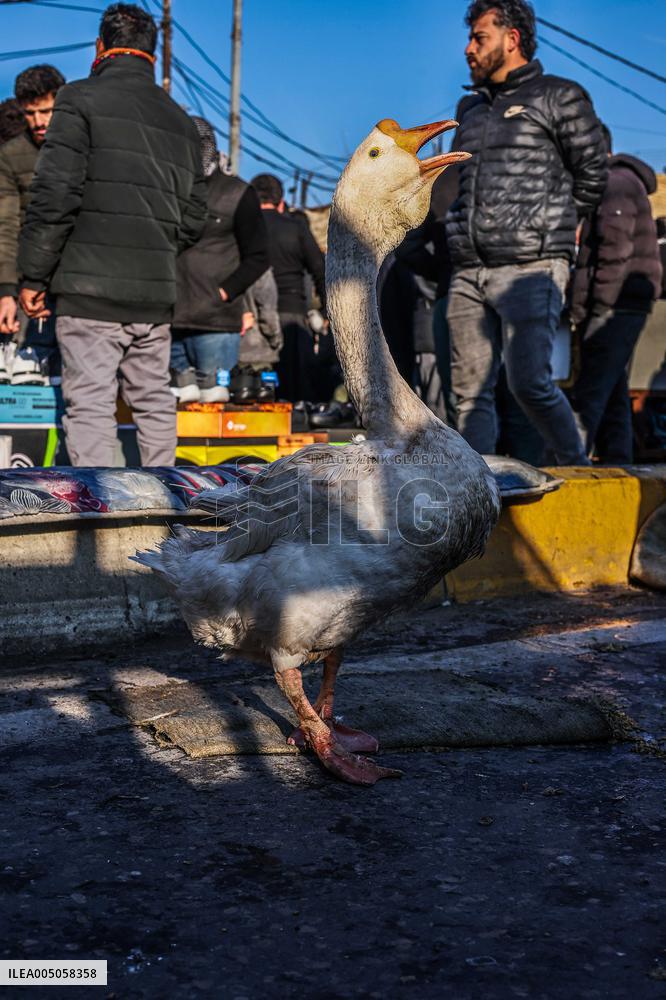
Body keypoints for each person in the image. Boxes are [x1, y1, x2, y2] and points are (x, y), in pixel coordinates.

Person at [17, 4, 207, 467]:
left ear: (100, 47)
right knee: (155, 401)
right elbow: (195, 215)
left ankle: (102, 522)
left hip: (87, 291)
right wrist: (158, 246)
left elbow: (54, 194)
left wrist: (34, 276)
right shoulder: (181, 122)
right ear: (152, 54)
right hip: (154, 296)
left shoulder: (79, 99)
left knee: (91, 407)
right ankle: (166, 503)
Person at [445, 0, 608, 464]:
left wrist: (548, 226)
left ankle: (577, 469)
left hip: (532, 266)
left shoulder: (561, 96)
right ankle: (475, 499)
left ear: (511, 39)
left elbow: (593, 175)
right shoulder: (469, 110)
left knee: (529, 384)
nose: (469, 49)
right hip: (468, 270)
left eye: (479, 38)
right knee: (469, 396)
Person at [569, 125, 662, 464]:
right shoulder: (619, 182)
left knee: (590, 393)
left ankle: (569, 464)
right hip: (621, 304)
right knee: (612, 391)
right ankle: (618, 463)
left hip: (616, 306)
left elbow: (613, 249)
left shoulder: (614, 184)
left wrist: (597, 306)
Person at [170, 117, 269, 403]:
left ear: (207, 147)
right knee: (170, 413)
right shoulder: (168, 189)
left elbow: (259, 256)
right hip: (169, 319)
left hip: (215, 322)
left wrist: (225, 292)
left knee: (214, 409)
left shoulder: (237, 193)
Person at [0, 65, 65, 385]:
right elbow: (7, 226)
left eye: (46, 111)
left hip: (77, 280)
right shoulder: (11, 156)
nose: (38, 122)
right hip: (29, 281)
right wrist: (8, 291)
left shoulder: (85, 146)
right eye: (30, 114)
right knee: (26, 371)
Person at [250, 173, 330, 403]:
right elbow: (320, 270)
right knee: (295, 392)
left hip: (253, 316)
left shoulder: (246, 227)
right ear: (281, 202)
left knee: (256, 390)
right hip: (292, 316)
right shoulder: (295, 228)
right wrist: (326, 312)